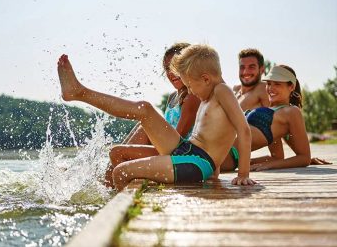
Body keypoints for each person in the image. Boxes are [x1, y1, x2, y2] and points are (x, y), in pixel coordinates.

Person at [57, 44, 256, 191]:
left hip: (196, 162)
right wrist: (215, 172)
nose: (189, 91)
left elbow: (243, 129)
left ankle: (115, 217)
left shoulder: (222, 91)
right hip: (187, 150)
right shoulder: (209, 94)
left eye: (190, 85)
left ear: (205, 78)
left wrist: (243, 175)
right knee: (145, 108)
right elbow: (215, 135)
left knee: (121, 171)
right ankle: (79, 92)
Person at [105, 43, 200, 187]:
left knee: (118, 152)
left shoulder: (192, 97)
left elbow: (177, 141)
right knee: (142, 126)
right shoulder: (172, 97)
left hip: (180, 156)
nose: (171, 72)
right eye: (167, 68)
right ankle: (109, 185)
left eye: (176, 66)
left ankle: (113, 190)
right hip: (167, 150)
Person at [223, 65, 312, 171]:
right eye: (269, 83)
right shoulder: (273, 111)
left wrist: (269, 166)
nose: (271, 88)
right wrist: (248, 163)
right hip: (222, 148)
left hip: (226, 154)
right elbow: (277, 157)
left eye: (277, 84)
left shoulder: (292, 111)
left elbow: (304, 157)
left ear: (291, 87)